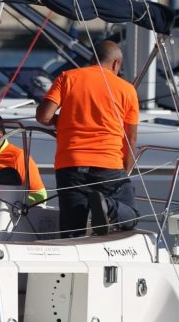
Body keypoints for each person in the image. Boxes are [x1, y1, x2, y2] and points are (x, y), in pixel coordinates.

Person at [35, 39, 139, 237]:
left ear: (92, 59)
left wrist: (62, 122)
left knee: (72, 231)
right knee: (131, 216)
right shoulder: (127, 90)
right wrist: (123, 173)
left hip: (70, 164)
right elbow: (131, 139)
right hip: (108, 165)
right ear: (116, 64)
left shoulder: (68, 77)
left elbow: (43, 116)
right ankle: (107, 205)